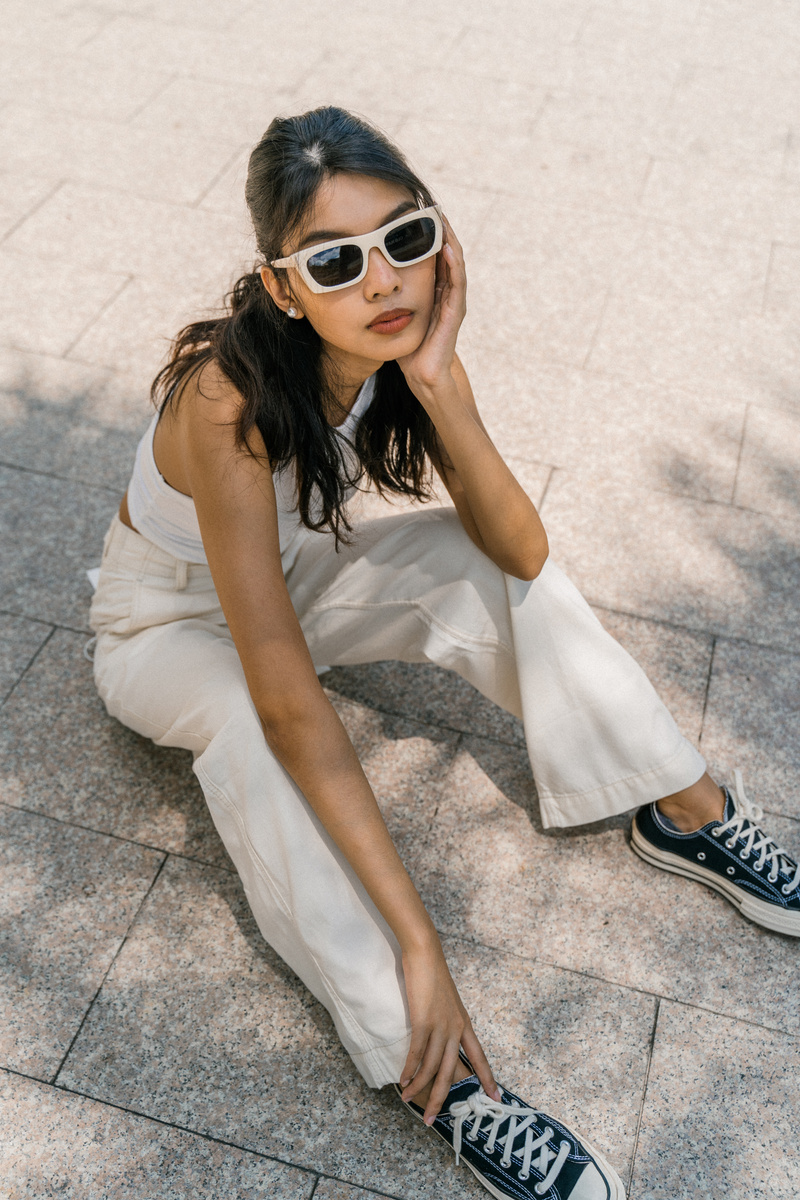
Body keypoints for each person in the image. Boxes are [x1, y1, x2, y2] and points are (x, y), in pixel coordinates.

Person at [89, 106, 800, 1200]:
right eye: (335, 260)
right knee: (246, 731)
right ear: (280, 287)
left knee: (472, 560)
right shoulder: (226, 403)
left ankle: (681, 806)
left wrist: (436, 376)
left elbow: (518, 548)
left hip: (284, 581)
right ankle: (439, 1077)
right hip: (165, 628)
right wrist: (421, 944)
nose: (382, 282)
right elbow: (285, 703)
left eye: (403, 238)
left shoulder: (390, 345)